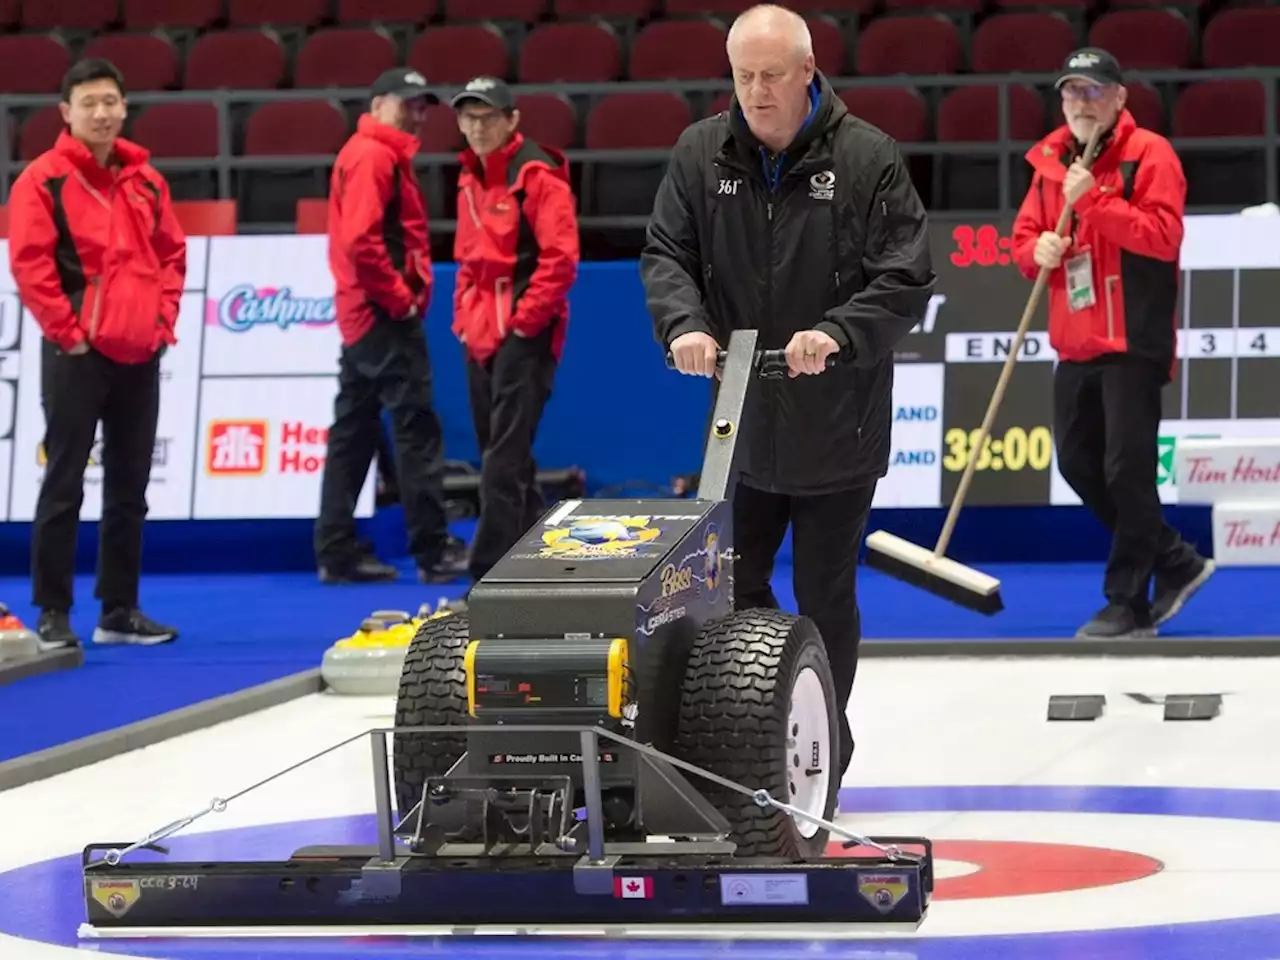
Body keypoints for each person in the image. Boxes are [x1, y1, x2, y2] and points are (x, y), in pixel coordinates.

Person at [640, 4, 934, 780]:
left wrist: (838, 334)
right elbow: (667, 253)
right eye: (744, 77)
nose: (758, 91)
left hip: (838, 421)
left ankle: (821, 744)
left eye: (773, 75)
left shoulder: (870, 157)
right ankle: (769, 710)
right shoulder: (701, 152)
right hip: (737, 420)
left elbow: (905, 277)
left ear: (809, 70)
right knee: (733, 584)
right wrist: (683, 327)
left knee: (824, 589)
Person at [1012, 47, 1214, 640]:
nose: (1080, 103)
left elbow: (1162, 235)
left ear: (1119, 97)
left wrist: (1095, 200)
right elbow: (1024, 239)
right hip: (1076, 342)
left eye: (1092, 91)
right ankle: (1175, 558)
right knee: (1077, 463)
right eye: (1071, 92)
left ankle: (1128, 603)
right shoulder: (1049, 161)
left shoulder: (1150, 153)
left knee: (1128, 470)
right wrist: (1036, 253)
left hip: (1133, 339)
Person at [8, 59, 184, 652]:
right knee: (63, 483)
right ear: (67, 113)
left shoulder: (147, 181)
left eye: (111, 101)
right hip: (77, 354)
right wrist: (69, 332)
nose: (102, 113)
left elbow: (172, 256)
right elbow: (30, 266)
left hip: (141, 350)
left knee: (130, 487)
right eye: (90, 103)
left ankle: (119, 610)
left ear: (125, 107)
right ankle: (53, 611)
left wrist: (162, 321)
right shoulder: (43, 180)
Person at [315, 67, 467, 584]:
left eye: (423, 106)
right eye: (408, 104)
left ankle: (336, 549)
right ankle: (431, 549)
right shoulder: (376, 156)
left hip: (363, 314)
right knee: (414, 427)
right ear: (379, 104)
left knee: (354, 430)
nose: (418, 114)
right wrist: (400, 300)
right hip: (382, 315)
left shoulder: (373, 154)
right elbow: (363, 242)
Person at [450, 77, 579, 585]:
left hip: (526, 335)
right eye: (468, 117)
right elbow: (466, 257)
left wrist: (525, 324)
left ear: (512, 120)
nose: (477, 128)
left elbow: (561, 259)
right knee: (504, 455)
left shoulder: (537, 175)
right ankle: (543, 560)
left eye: (487, 117)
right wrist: (464, 316)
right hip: (478, 332)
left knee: (501, 459)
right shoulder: (469, 177)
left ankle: (485, 575)